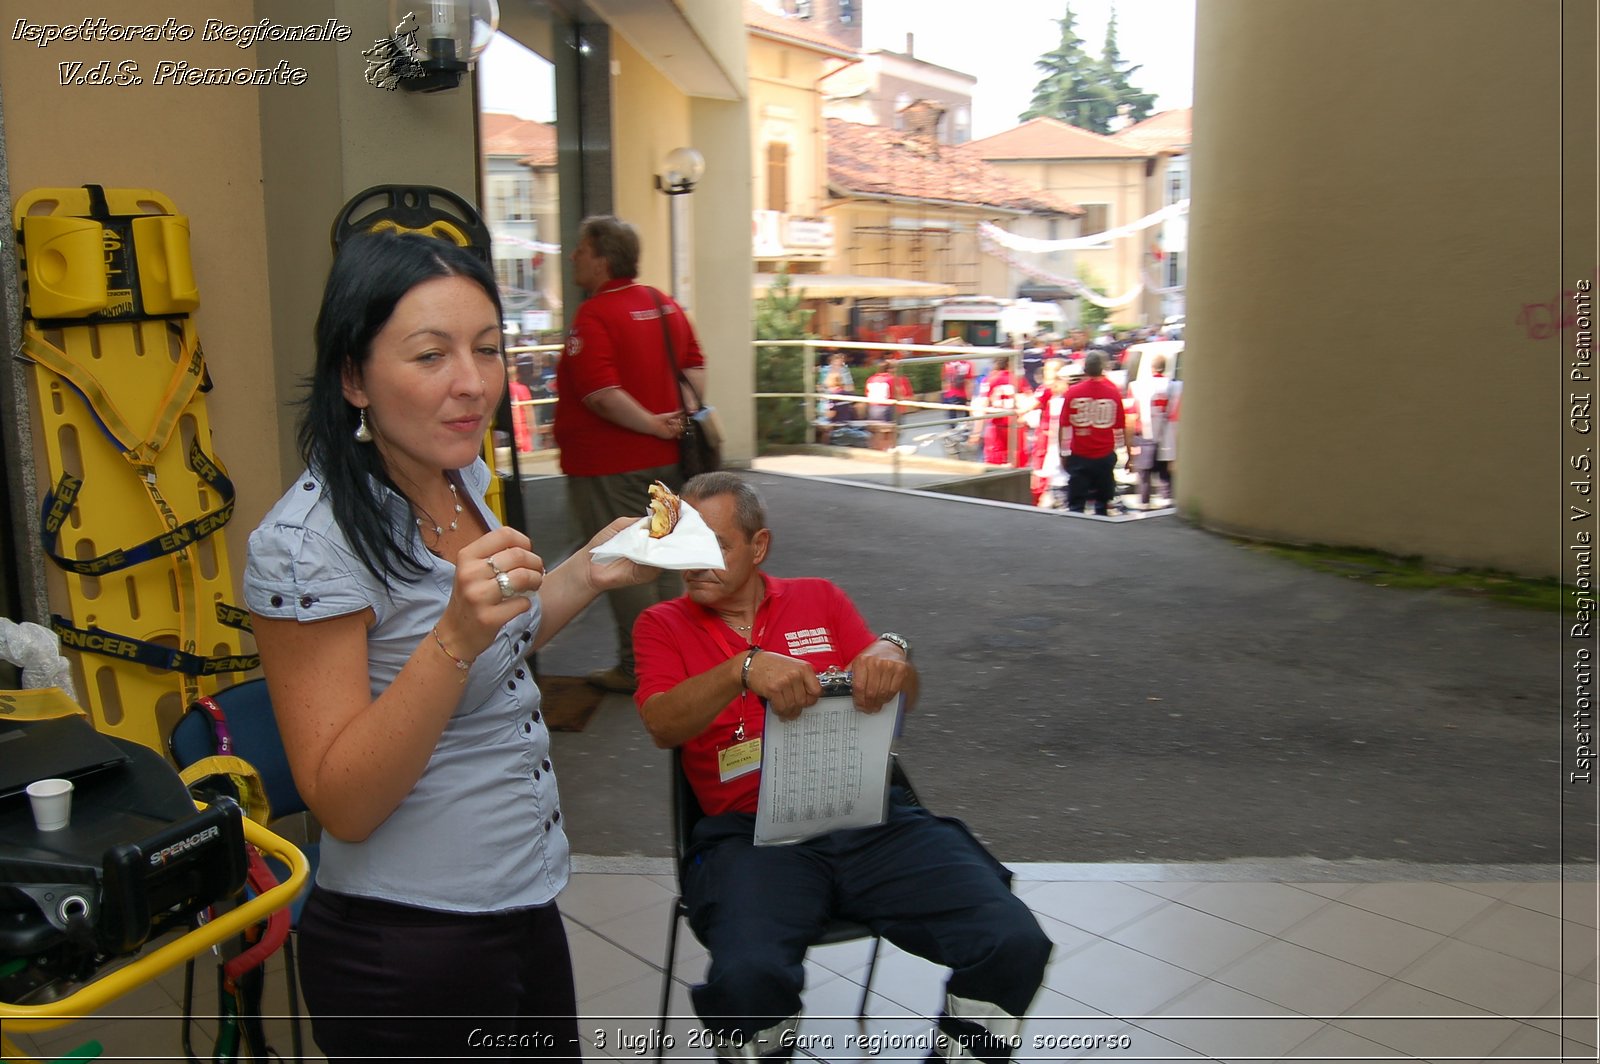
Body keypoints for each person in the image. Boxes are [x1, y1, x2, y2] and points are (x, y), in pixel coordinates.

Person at [244, 231, 660, 1061]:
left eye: (487, 349)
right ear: (354, 377)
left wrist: (589, 568)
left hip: (522, 900)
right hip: (406, 949)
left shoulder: (459, 477)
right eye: (430, 355)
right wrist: (453, 636)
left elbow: (499, 643)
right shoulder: (305, 544)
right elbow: (344, 804)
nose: (472, 384)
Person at [633, 472, 1052, 1062]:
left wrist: (894, 657)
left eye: (717, 544)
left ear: (758, 547)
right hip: (752, 838)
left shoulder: (818, 599)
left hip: (870, 820)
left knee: (1013, 940)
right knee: (749, 977)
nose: (696, 561)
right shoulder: (662, 624)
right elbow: (661, 725)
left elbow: (901, 695)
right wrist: (740, 671)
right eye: (685, 543)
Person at [555, 214, 705, 693]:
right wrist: (678, 418)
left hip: (609, 463)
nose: (574, 256)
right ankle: (678, 655)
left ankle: (640, 666)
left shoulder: (595, 315)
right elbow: (695, 367)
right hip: (668, 459)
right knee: (664, 557)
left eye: (581, 248)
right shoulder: (664, 304)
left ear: (601, 257)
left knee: (627, 562)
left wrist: (649, 422)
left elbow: (599, 392)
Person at [1061, 351, 1135, 515]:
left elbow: (1064, 426)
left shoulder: (1072, 393)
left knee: (1076, 506)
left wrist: (1063, 453)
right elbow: (1121, 427)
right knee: (1102, 504)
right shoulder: (1112, 393)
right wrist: (1129, 454)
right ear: (1102, 369)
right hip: (1104, 456)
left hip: (1079, 454)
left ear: (1084, 369)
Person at [1128, 352, 1177, 506]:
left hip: (1144, 437)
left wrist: (1130, 445)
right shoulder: (1176, 386)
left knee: (1144, 478)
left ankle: (1144, 506)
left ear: (1150, 368)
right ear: (1165, 368)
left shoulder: (1136, 386)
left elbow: (1131, 416)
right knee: (1165, 477)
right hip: (1167, 437)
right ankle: (1167, 507)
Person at [1027, 359, 1072, 507]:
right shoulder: (1052, 390)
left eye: (1051, 370)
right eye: (1046, 369)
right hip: (1047, 437)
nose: (1047, 373)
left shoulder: (1049, 390)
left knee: (1043, 477)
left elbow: (1026, 407)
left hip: (1050, 440)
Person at [973, 357, 1024, 466]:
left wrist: (976, 432)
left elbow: (982, 405)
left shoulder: (990, 379)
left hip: (996, 426)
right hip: (1015, 425)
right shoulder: (1017, 379)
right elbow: (1025, 401)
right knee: (1016, 462)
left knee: (994, 464)